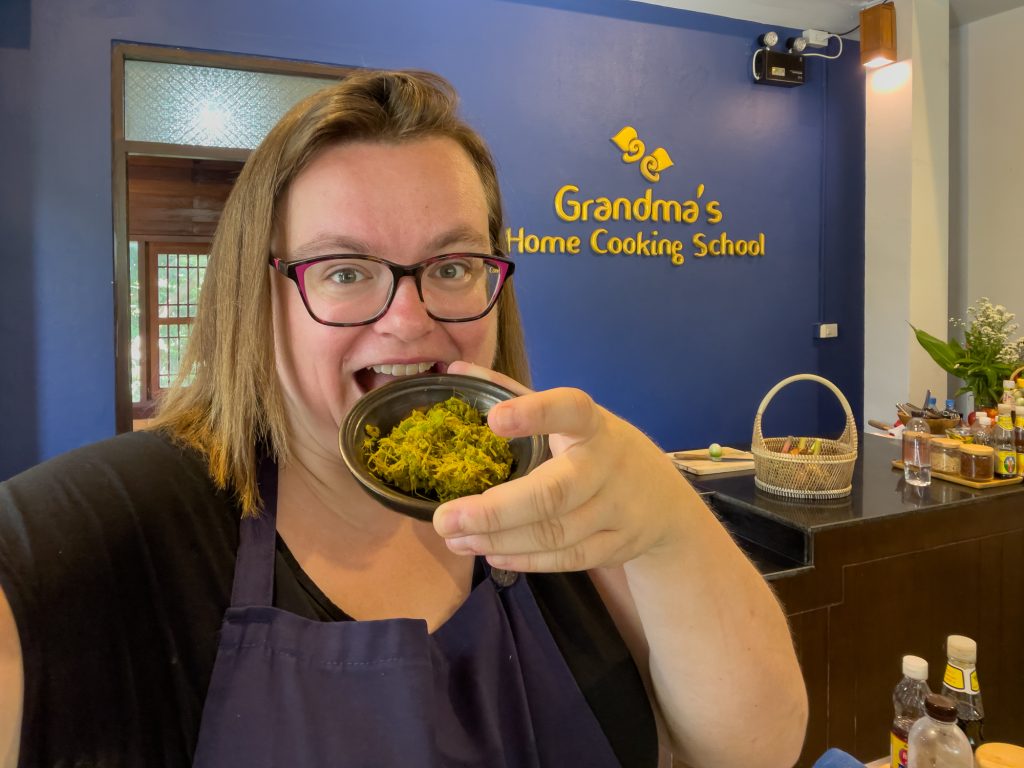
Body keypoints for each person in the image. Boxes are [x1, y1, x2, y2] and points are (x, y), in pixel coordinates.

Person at [0, 69, 807, 767]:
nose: (409, 319)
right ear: (261, 294)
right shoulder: (134, 516)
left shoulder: (559, 488)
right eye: (347, 270)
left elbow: (753, 749)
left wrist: (670, 522)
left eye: (451, 265)